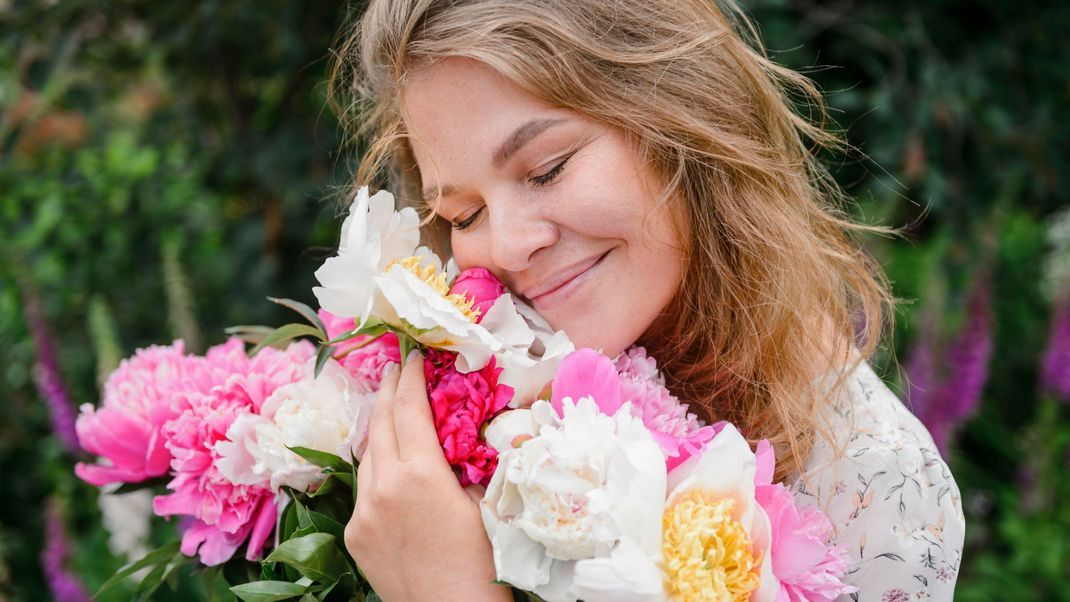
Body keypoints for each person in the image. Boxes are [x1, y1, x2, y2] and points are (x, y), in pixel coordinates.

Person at [330, 0, 965, 600]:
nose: (510, 247)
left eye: (548, 168)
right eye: (465, 214)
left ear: (679, 117)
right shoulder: (455, 399)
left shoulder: (878, 494)